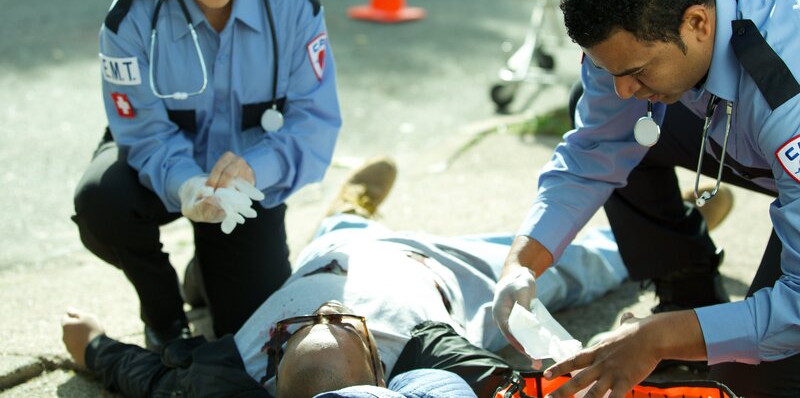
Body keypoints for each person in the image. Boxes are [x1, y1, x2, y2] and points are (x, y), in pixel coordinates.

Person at [490, 0, 800, 396]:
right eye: (609, 70)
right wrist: (521, 265)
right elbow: (596, 148)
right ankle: (687, 293)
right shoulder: (649, 9)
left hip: (779, 124)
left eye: (636, 71)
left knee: (751, 383)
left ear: (698, 23)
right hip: (755, 131)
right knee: (616, 118)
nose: (622, 90)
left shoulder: (786, 84)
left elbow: (795, 311)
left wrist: (656, 338)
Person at [62, 158, 629, 398]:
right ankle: (642, 245)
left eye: (301, 326)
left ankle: (351, 210)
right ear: (383, 372)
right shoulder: (428, 356)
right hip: (445, 269)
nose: (330, 309)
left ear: (271, 364)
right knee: (570, 266)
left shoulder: (228, 373)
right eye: (346, 325)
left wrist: (93, 347)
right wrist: (594, 353)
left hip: (335, 251)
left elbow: (150, 379)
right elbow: (522, 386)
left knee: (340, 228)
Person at [71, 0, 341, 350]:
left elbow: (313, 124)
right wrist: (186, 185)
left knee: (253, 337)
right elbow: (144, 133)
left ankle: (204, 271)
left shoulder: (293, 3)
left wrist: (256, 169)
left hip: (245, 187)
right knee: (102, 203)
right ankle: (163, 314)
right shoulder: (132, 15)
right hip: (158, 163)